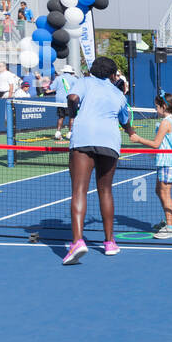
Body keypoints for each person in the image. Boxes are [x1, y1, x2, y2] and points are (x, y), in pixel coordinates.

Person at [63, 55, 134, 264]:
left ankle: (77, 242)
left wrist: (73, 113)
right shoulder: (118, 93)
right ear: (113, 75)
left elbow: (73, 99)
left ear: (93, 70)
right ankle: (110, 242)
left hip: (84, 138)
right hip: (110, 141)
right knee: (105, 190)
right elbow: (125, 120)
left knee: (79, 190)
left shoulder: (83, 82)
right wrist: (132, 133)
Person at [127, 92, 172, 239]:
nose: (155, 109)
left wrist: (138, 139)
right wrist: (155, 153)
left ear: (164, 107)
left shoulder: (166, 122)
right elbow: (162, 144)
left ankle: (171, 227)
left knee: (165, 193)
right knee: (159, 191)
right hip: (164, 160)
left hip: (168, 162)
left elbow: (156, 143)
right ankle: (168, 220)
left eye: (157, 107)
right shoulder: (167, 121)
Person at [52, 64, 77, 140]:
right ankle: (70, 133)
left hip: (59, 101)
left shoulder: (58, 78)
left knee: (61, 117)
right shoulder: (74, 79)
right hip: (69, 101)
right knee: (72, 117)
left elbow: (52, 88)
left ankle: (58, 132)